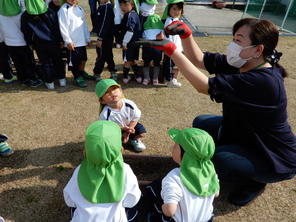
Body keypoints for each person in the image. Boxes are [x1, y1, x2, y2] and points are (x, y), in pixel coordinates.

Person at [137, 18, 296, 206]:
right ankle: (234, 157)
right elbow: (199, 59)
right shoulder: (244, 63)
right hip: (247, 134)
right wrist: (186, 34)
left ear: (258, 49)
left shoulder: (263, 81)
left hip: (272, 157)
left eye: (238, 40)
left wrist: (172, 51)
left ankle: (255, 182)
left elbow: (203, 86)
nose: (232, 45)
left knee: (220, 158)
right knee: (202, 122)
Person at [63, 120, 141, 221]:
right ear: (121, 149)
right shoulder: (126, 170)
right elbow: (132, 200)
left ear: (86, 151)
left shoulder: (79, 171)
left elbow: (69, 200)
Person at [142, 128, 219, 222]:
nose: (171, 148)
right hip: (206, 219)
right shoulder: (210, 172)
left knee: (153, 188)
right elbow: (216, 193)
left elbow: (170, 211)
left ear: (186, 154)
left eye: (175, 146)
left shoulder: (174, 177)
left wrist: (163, 207)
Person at [21, 0, 66, 90]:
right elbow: (56, 28)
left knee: (45, 63)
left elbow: (25, 31)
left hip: (38, 43)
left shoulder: (25, 15)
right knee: (57, 59)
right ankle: (62, 80)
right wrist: (60, 41)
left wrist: (29, 42)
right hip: (53, 41)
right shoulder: (49, 12)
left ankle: (50, 83)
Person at [95, 79, 146, 152]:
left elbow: (135, 117)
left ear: (121, 91)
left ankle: (133, 140)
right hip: (115, 131)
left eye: (114, 89)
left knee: (142, 133)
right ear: (102, 101)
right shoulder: (105, 114)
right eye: (106, 92)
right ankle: (117, 144)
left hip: (130, 125)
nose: (112, 93)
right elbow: (107, 130)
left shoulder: (129, 104)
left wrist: (129, 130)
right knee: (118, 150)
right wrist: (122, 129)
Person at [0, 0, 42, 87]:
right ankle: (33, 79)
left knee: (17, 62)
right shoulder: (22, 13)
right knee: (28, 62)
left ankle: (23, 79)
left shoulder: (1, 14)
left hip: (9, 42)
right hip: (22, 42)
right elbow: (25, 29)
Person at [58, 0, 92, 87]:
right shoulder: (64, 9)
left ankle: (81, 73)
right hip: (72, 42)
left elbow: (84, 24)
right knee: (74, 61)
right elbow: (63, 26)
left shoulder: (80, 8)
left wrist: (87, 38)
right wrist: (68, 41)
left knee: (83, 59)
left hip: (82, 40)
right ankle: (77, 77)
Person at [139, 0, 163, 86]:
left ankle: (154, 78)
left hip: (156, 44)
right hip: (148, 44)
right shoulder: (142, 17)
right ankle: (147, 77)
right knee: (147, 61)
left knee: (156, 62)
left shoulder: (155, 17)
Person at [93, 0, 117, 82]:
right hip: (105, 36)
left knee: (102, 55)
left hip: (105, 37)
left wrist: (100, 38)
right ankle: (113, 71)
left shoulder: (107, 7)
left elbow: (104, 24)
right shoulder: (102, 6)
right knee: (106, 54)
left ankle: (97, 73)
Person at [119, 0, 141, 84]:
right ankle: (138, 75)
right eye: (121, 5)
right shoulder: (134, 14)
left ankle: (125, 76)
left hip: (129, 43)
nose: (122, 7)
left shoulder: (130, 16)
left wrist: (124, 42)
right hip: (135, 42)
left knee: (127, 61)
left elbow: (130, 31)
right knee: (132, 60)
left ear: (132, 5)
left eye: (125, 5)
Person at [162, 0, 183, 88]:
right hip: (171, 48)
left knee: (175, 64)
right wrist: (169, 48)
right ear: (168, 9)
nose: (176, 12)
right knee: (169, 64)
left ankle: (172, 79)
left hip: (177, 47)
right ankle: (169, 80)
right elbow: (168, 36)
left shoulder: (176, 19)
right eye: (174, 9)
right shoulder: (169, 21)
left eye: (178, 9)